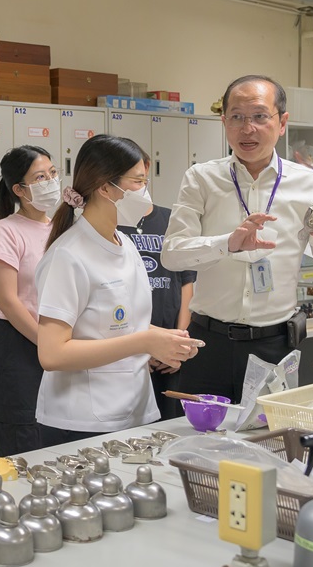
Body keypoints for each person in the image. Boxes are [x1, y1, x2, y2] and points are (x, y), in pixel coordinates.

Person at [161, 75, 313, 403]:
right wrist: (227, 244)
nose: (247, 129)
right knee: (198, 434)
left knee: (268, 431)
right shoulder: (201, 179)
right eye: (237, 117)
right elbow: (172, 254)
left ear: (282, 123)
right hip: (208, 343)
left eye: (260, 116)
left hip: (273, 345)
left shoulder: (310, 184)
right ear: (224, 122)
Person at [34, 135, 202, 445]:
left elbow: (121, 325)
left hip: (134, 411)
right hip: (82, 421)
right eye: (137, 182)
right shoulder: (68, 255)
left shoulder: (124, 244)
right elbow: (52, 353)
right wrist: (145, 341)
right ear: (105, 187)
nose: (145, 191)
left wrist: (167, 341)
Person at [0, 145, 58, 456]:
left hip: (55, 342)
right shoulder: (6, 231)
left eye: (53, 173)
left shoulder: (61, 228)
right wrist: (48, 343)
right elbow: (8, 301)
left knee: (57, 442)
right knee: (24, 445)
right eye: (40, 177)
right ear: (19, 190)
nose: (51, 182)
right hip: (19, 345)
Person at [117, 201, 197, 419]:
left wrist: (178, 343)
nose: (140, 186)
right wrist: (144, 345)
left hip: (171, 349)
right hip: (129, 346)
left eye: (142, 182)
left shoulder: (171, 220)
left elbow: (187, 284)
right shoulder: (115, 223)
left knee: (169, 418)